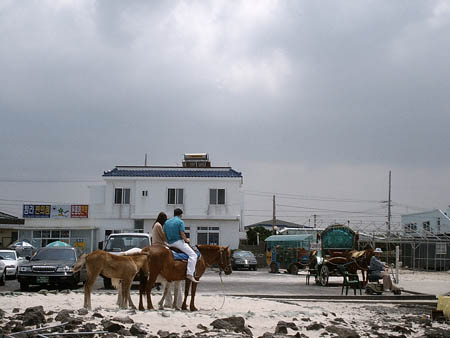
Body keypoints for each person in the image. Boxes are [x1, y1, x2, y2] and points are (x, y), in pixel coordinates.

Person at [163, 208, 199, 283]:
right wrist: (186, 240)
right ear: (181, 215)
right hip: (178, 243)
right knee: (193, 255)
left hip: (169, 243)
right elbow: (182, 233)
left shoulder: (166, 222)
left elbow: (165, 234)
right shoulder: (180, 221)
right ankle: (189, 274)